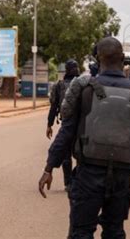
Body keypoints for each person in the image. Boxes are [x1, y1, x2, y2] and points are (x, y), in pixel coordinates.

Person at [38, 37, 130, 238]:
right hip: (121, 177)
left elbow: (66, 132)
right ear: (122, 59)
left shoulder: (84, 89)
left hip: (88, 175)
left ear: (97, 58)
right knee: (115, 231)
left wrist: (49, 167)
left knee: (81, 232)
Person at [46, 59, 80, 192]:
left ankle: (69, 183)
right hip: (81, 125)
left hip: (67, 125)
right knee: (80, 156)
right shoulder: (83, 84)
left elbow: (53, 107)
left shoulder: (59, 85)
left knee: (66, 156)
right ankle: (73, 181)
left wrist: (49, 125)